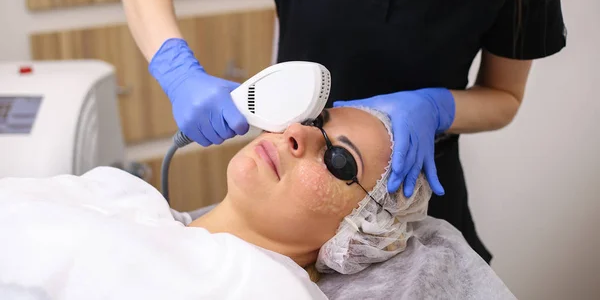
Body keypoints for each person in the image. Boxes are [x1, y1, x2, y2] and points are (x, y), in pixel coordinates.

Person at [119, 0, 567, 264]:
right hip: (292, 187)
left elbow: (503, 98)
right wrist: (178, 71)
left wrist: (438, 105)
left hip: (412, 183)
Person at [0, 107, 431, 299]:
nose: (297, 133)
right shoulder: (123, 193)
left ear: (358, 235)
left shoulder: (269, 291)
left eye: (338, 159)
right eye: (317, 119)